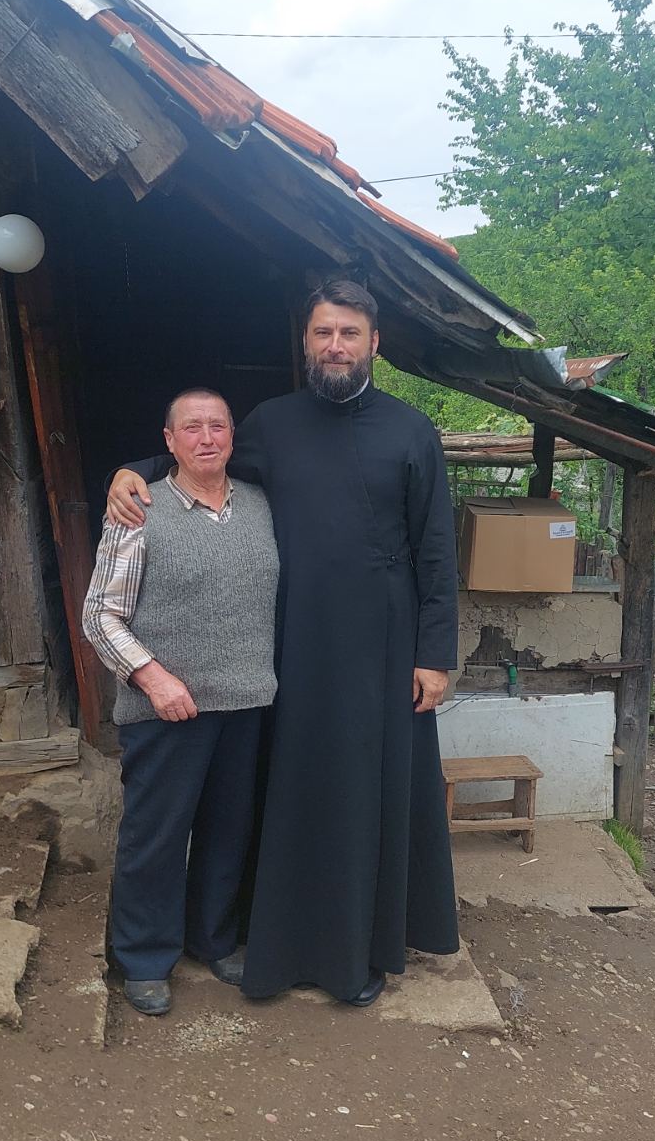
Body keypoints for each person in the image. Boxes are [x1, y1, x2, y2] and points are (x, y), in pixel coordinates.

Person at [106, 279, 460, 1008]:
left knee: (362, 795)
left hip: (381, 648)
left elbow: (436, 549)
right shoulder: (272, 422)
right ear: (306, 342)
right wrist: (132, 470)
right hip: (290, 645)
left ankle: (356, 947)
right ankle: (263, 936)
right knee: (281, 792)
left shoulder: (411, 430)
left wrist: (435, 654)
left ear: (374, 343)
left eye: (350, 333)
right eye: (324, 333)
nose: (336, 346)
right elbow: (200, 460)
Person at [83, 389, 280, 1017]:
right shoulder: (139, 509)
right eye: (191, 428)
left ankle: (212, 939)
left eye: (217, 426)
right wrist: (152, 678)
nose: (206, 438)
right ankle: (143, 957)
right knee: (157, 836)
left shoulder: (261, 505)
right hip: (165, 709)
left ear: (232, 436)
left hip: (245, 703)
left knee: (228, 831)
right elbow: (100, 615)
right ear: (168, 441)